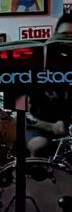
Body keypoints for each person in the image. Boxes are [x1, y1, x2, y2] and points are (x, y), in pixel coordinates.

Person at [27, 13, 72, 156]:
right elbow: (24, 116)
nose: (68, 41)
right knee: (38, 144)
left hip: (69, 131)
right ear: (55, 35)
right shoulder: (37, 66)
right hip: (40, 128)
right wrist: (51, 126)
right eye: (65, 34)